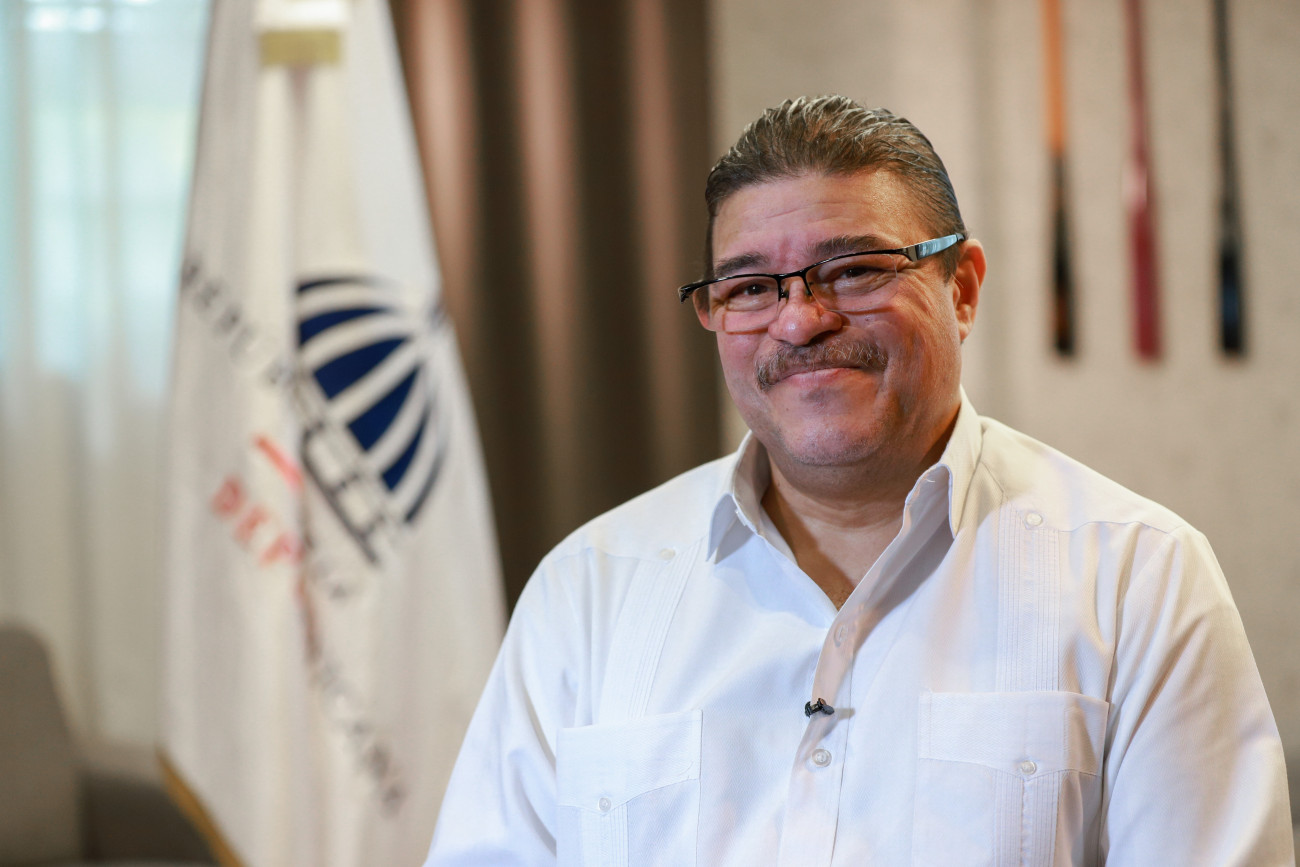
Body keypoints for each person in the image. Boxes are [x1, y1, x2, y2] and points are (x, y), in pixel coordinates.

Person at [424, 96, 1294, 865]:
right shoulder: (589, 591)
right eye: (751, 287)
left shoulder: (1139, 578)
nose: (802, 320)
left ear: (962, 288)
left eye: (856, 270)